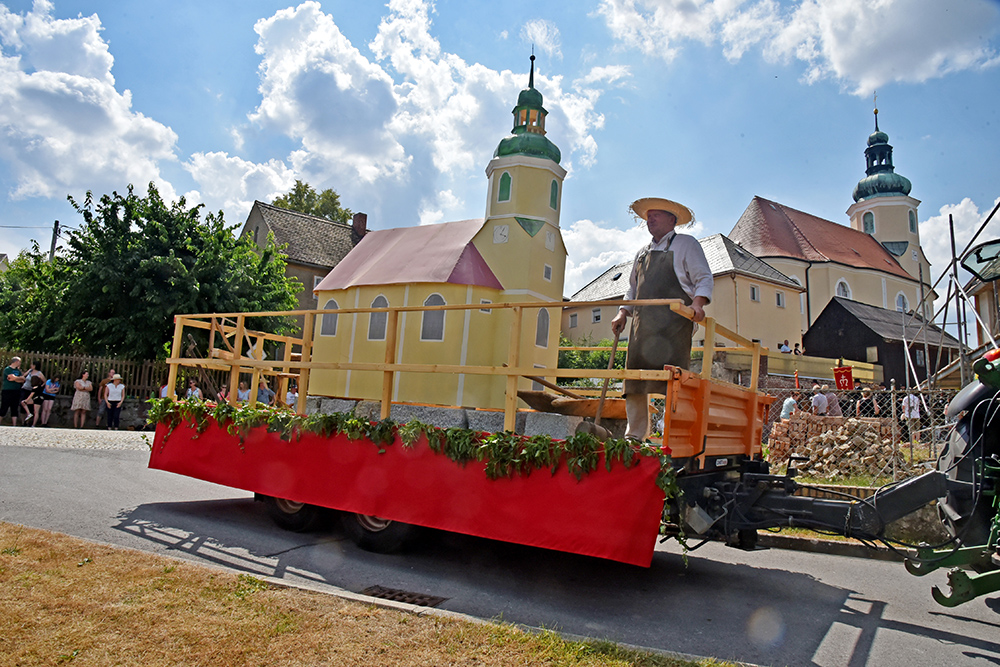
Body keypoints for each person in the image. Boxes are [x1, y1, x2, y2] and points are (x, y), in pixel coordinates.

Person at [609, 197, 713, 440]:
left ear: (672, 220)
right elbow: (632, 289)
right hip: (642, 329)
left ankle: (672, 436)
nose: (650, 219)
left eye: (656, 215)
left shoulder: (686, 244)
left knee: (673, 382)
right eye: (648, 216)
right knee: (634, 381)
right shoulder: (642, 253)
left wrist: (698, 304)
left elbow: (703, 278)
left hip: (674, 326)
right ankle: (634, 436)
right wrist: (622, 312)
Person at [1, 356, 25, 426]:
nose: (20, 363)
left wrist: (15, 378)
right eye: (19, 362)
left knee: (14, 407)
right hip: (7, 390)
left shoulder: (18, 371)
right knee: (4, 407)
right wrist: (18, 379)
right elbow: (11, 377)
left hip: (16, 390)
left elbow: (23, 379)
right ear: (16, 362)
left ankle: (14, 425)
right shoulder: (7, 369)